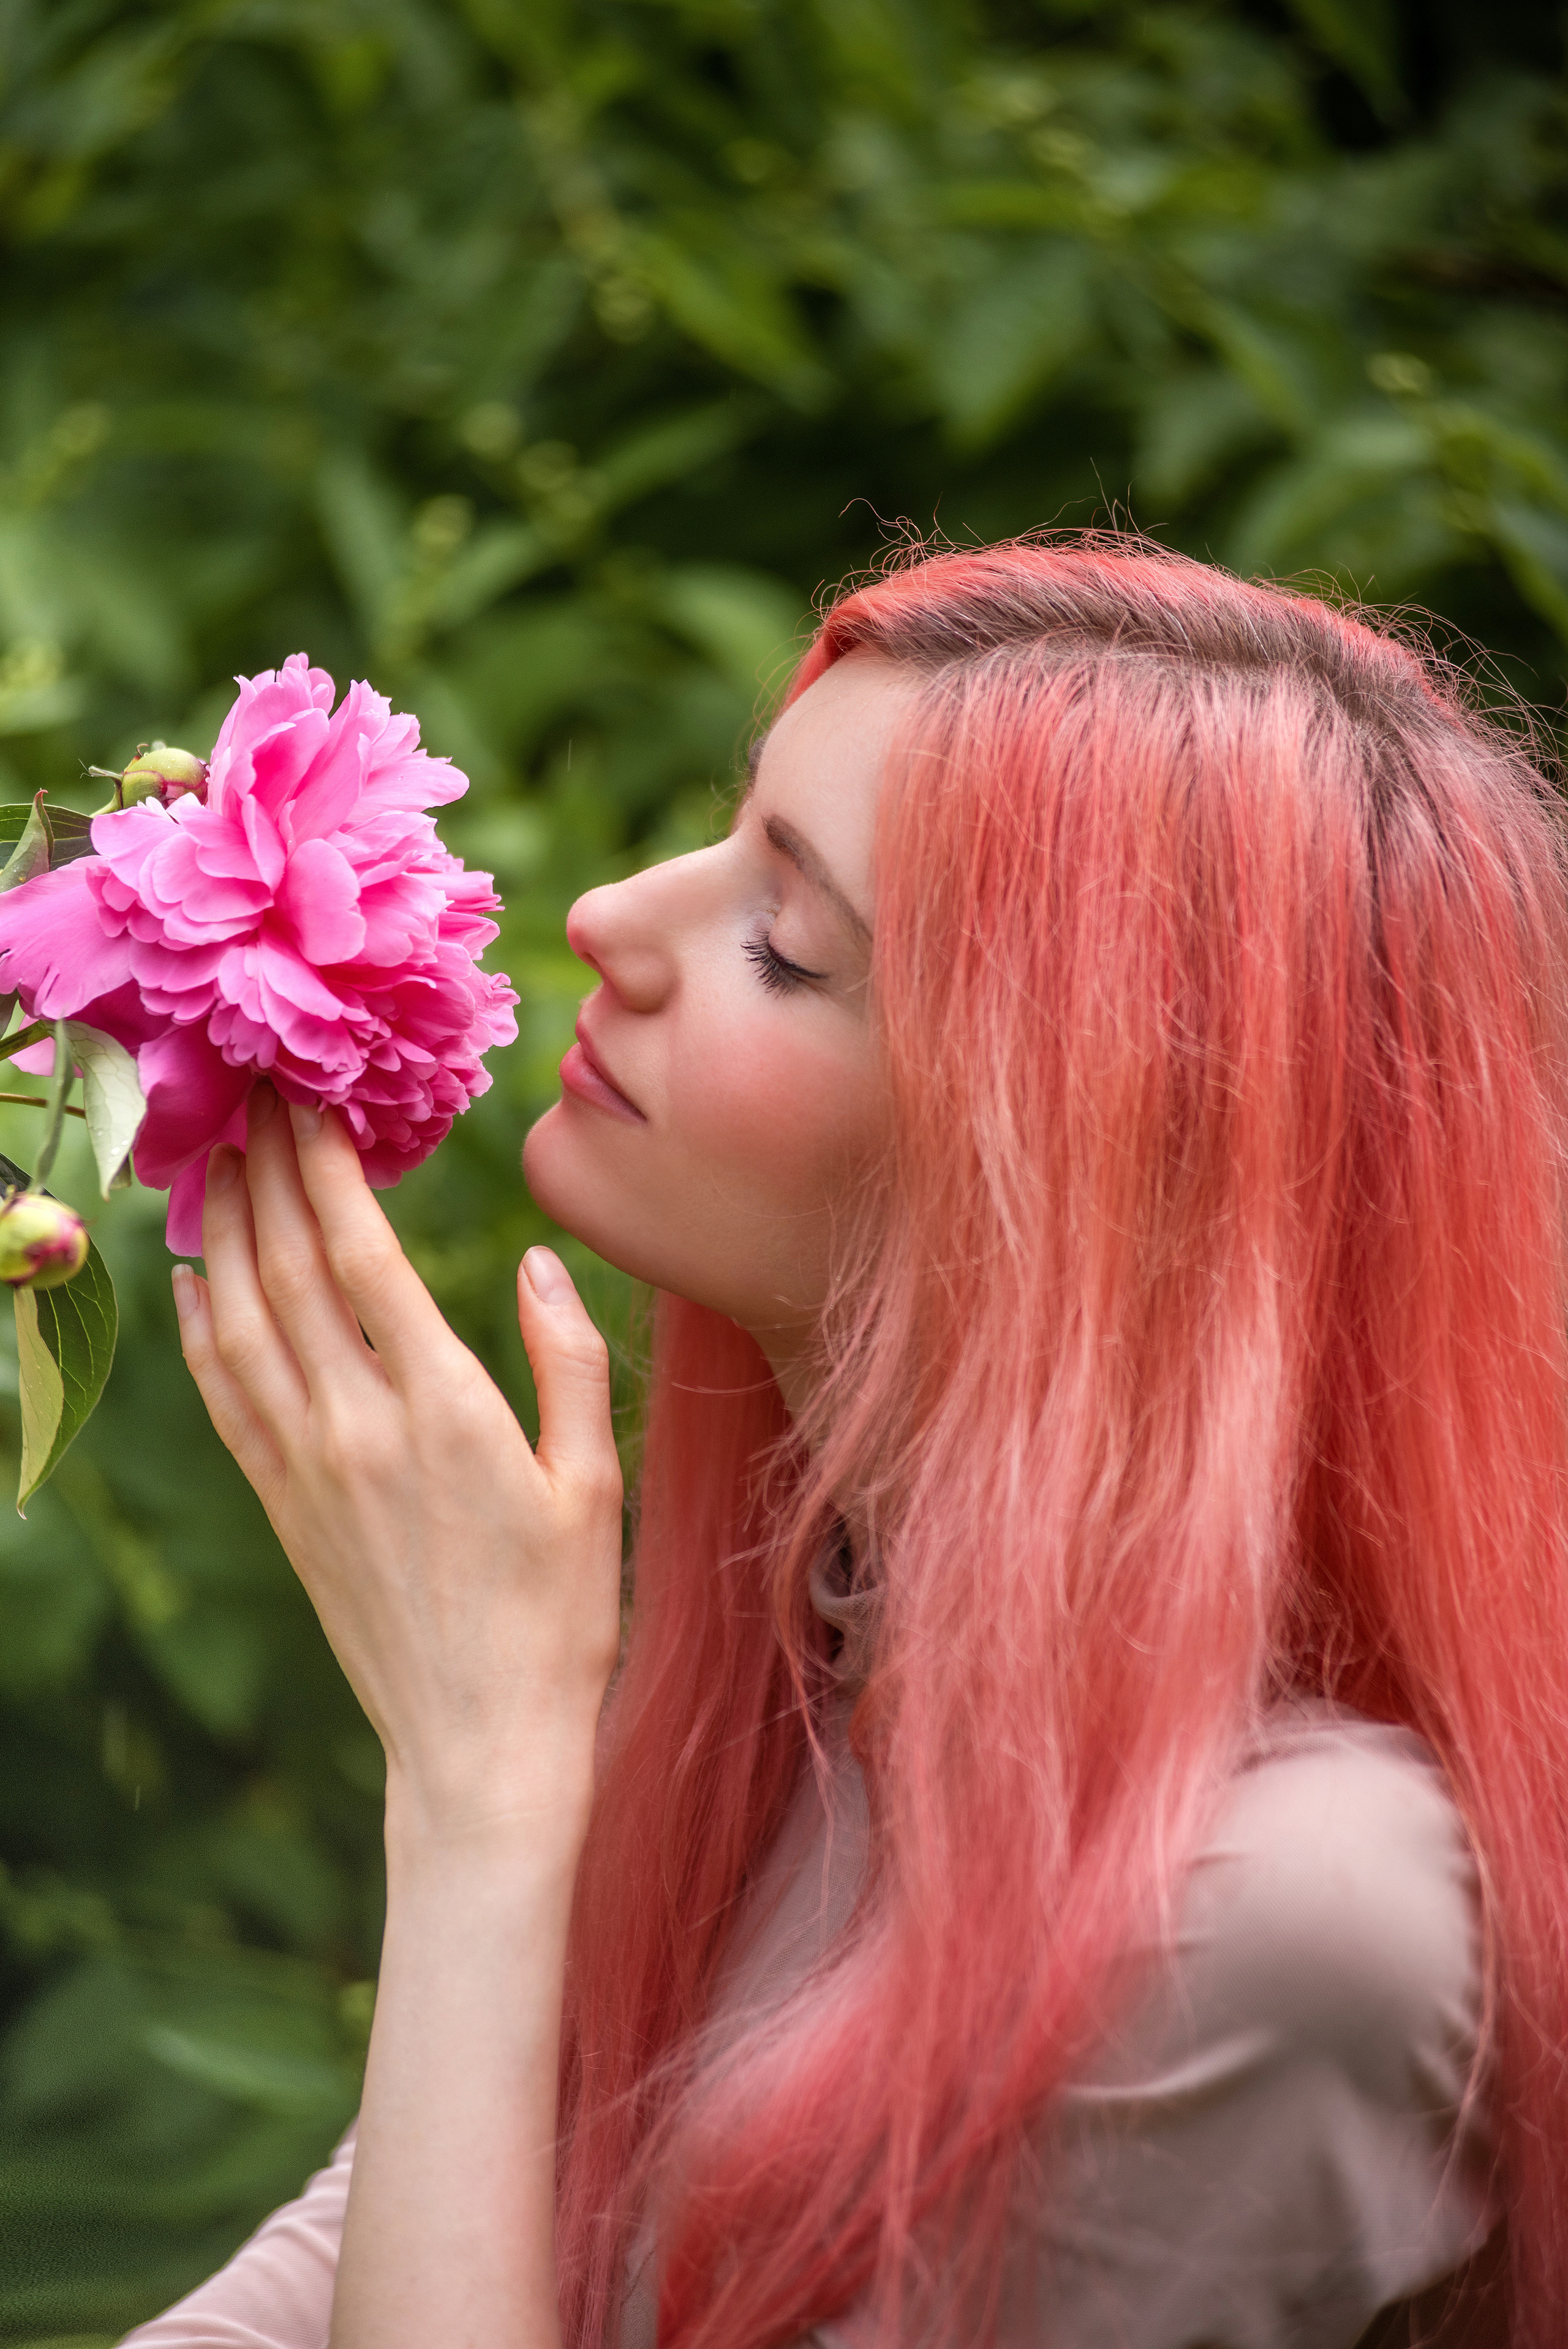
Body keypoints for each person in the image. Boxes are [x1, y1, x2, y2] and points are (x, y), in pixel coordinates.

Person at [119, 538, 1568, 2349]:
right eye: (729, 836)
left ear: (1075, 1182)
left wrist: (482, 1791)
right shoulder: (826, 1661)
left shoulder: (1290, 1922)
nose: (608, 916)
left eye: (781, 943)